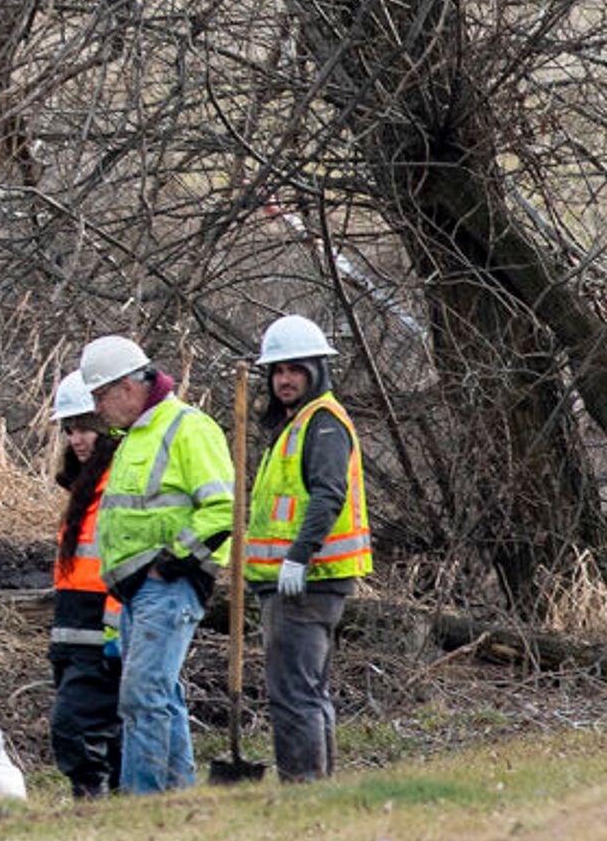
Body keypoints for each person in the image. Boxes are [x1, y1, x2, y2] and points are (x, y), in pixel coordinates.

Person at [80, 332, 237, 794]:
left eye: (100, 395)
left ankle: (141, 799)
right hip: (137, 588)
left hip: (166, 585)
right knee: (161, 696)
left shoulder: (187, 428)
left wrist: (170, 563)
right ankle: (176, 793)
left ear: (128, 388)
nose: (97, 407)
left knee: (143, 696)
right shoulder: (137, 434)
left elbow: (222, 510)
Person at [246, 311, 370, 781]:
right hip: (296, 582)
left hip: (307, 582)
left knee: (294, 692)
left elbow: (328, 495)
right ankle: (320, 785)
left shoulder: (322, 424)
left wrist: (298, 556)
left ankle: (303, 785)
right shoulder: (297, 425)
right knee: (310, 690)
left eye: (295, 370)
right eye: (278, 370)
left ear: (316, 371)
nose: (285, 379)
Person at [45, 370, 123, 798]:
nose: (77, 439)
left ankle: (93, 795)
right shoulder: (82, 490)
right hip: (72, 629)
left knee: (72, 726)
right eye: (70, 430)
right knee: (102, 728)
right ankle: (102, 799)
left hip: (101, 628)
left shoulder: (115, 486)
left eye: (85, 429)